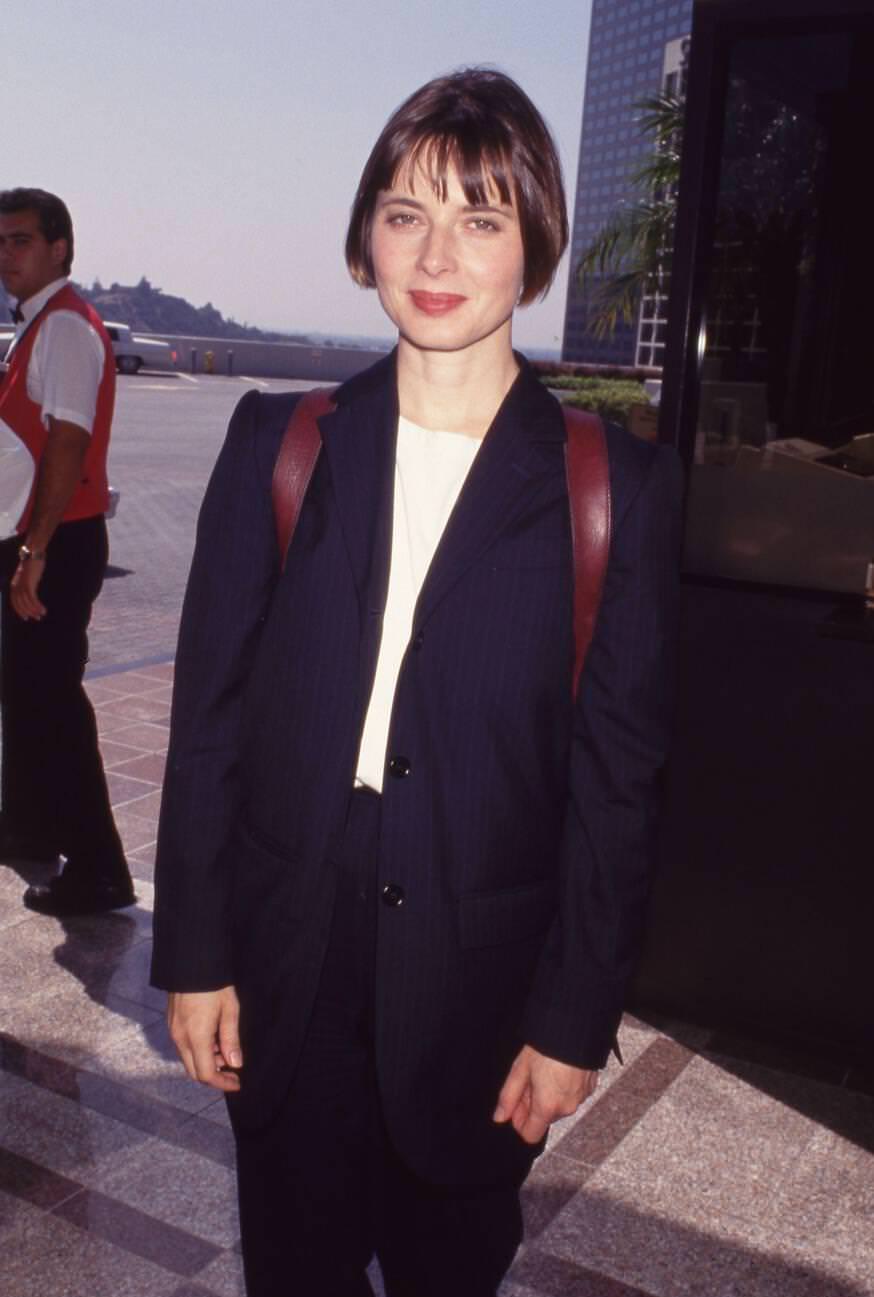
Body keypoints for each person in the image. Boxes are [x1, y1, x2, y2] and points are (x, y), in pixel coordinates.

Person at [152, 68, 683, 1297]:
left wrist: (570, 1018)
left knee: (450, 1269)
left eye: (481, 219)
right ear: (363, 244)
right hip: (291, 941)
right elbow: (209, 724)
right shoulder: (281, 445)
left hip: (481, 967)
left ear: (533, 256)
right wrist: (194, 948)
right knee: (295, 1266)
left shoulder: (612, 491)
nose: (436, 252)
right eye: (405, 214)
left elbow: (620, 786)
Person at [0, 188, 135, 916]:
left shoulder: (66, 327)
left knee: (51, 702)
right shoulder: (42, 323)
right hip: (37, 537)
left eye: (20, 240)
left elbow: (70, 442)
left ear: (59, 247)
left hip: (56, 540)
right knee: (24, 693)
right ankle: (27, 824)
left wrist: (36, 550)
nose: (5, 256)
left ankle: (99, 868)